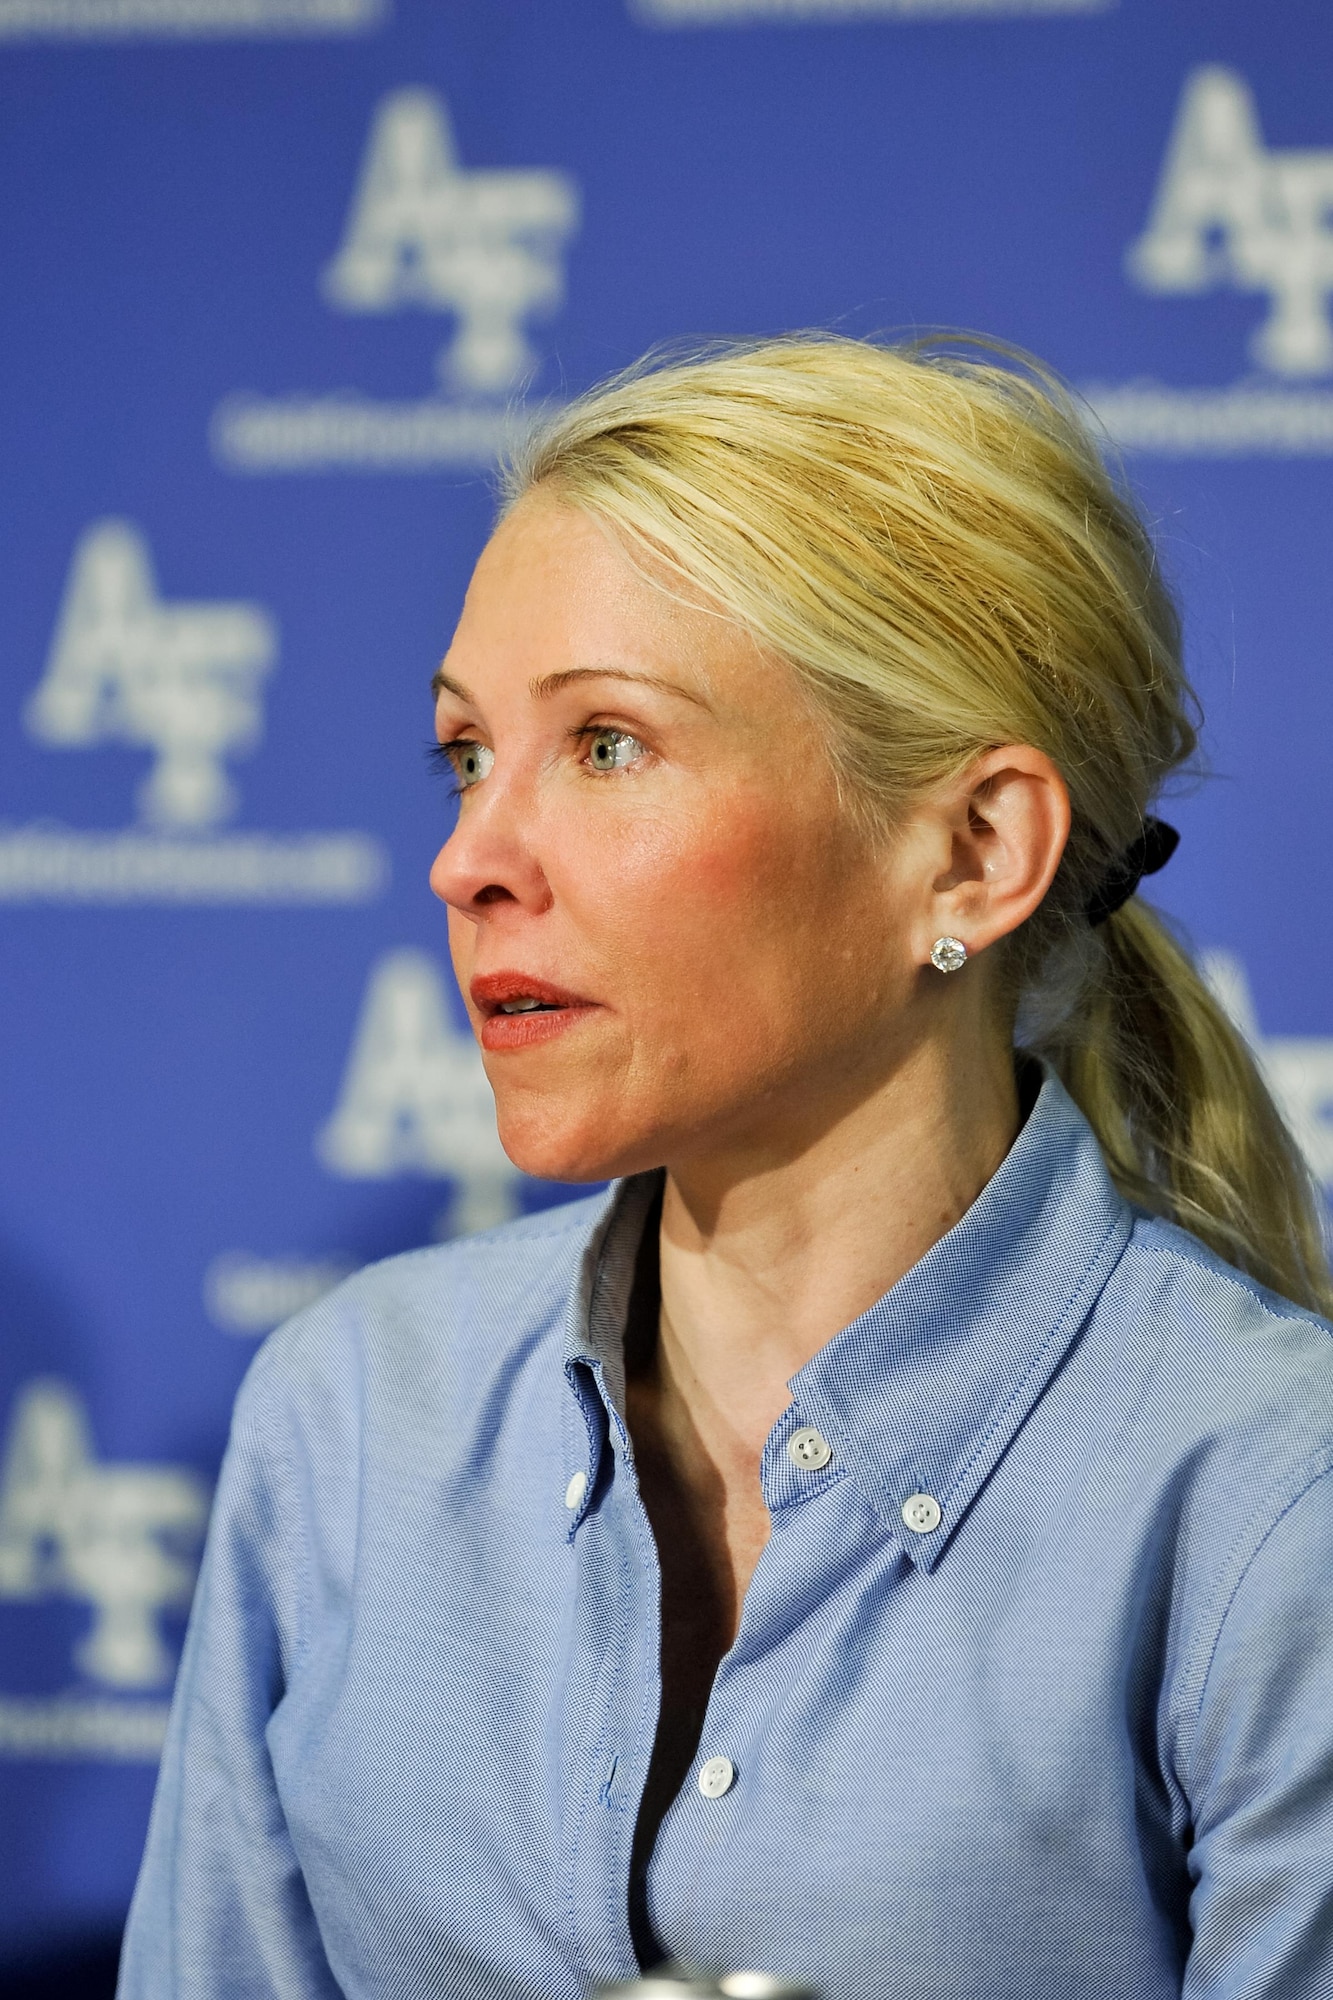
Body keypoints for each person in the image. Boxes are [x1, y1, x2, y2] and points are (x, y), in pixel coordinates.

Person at [119, 336, 1333, 2000]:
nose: (469, 857)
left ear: (972, 848)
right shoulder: (347, 1420)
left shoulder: (1272, 1504)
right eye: (466, 753)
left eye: (606, 745)